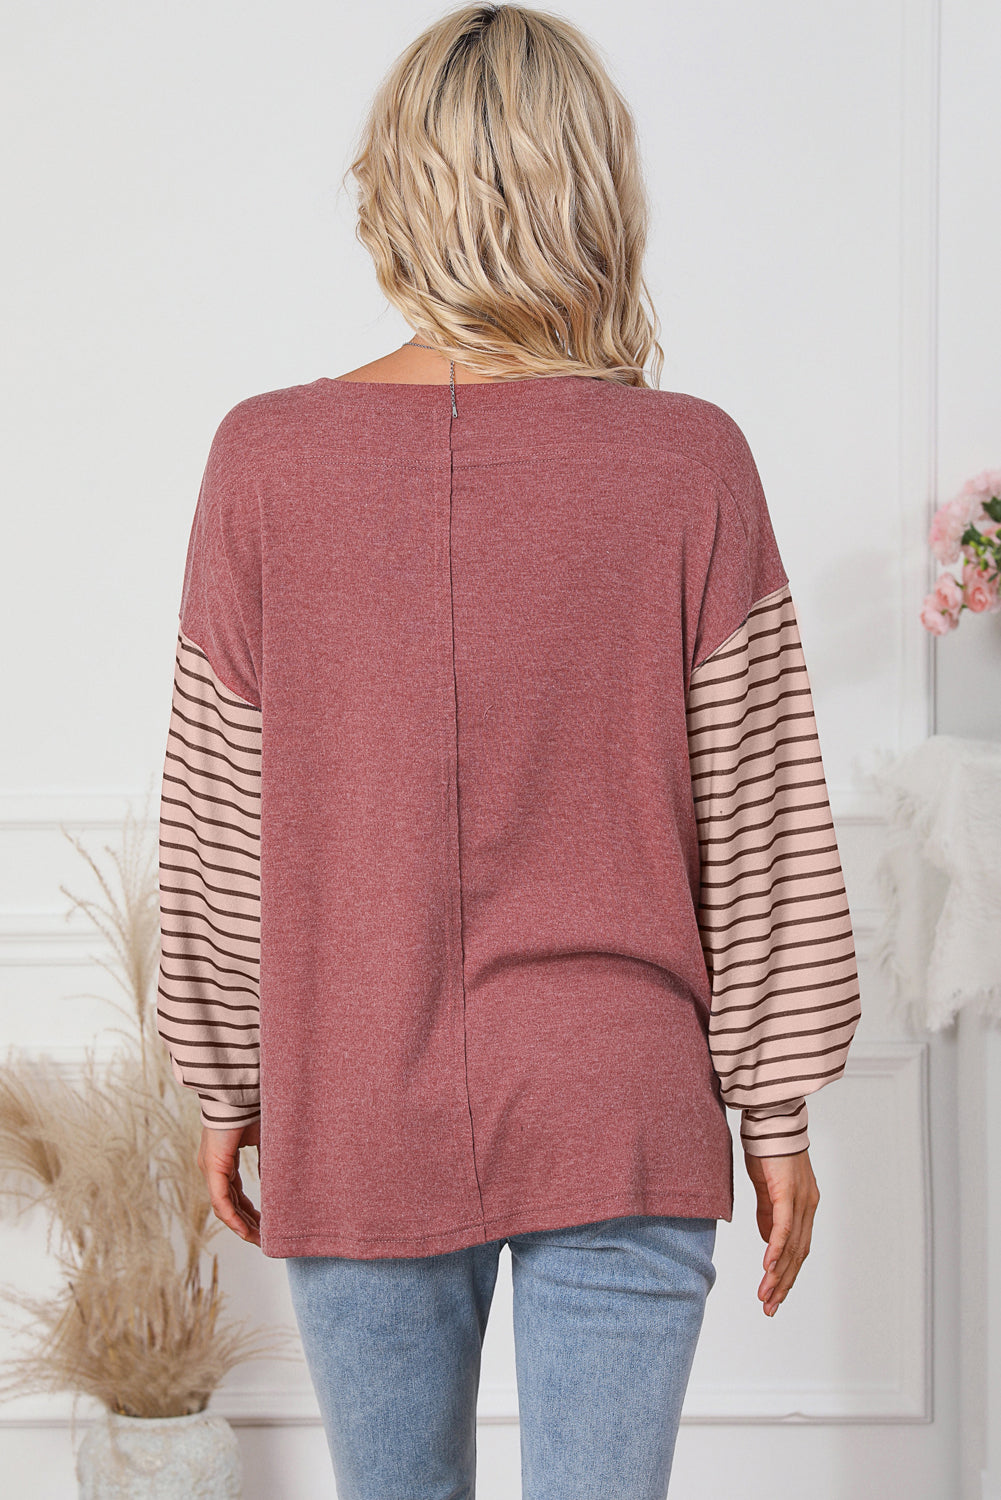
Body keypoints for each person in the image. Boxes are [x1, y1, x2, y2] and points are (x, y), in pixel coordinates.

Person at [155, 5, 861, 1496]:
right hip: (619, 1094)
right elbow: (760, 821)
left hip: (353, 1087)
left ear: (394, 190)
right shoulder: (688, 460)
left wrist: (226, 1082)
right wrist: (777, 1107)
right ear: (595, 192)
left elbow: (219, 818)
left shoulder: (262, 459)